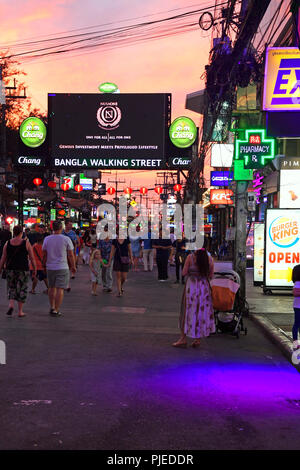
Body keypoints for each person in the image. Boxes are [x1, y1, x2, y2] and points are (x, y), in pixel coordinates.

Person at [173, 248, 215, 348]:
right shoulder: (209, 259)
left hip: (191, 288)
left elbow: (183, 273)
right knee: (201, 312)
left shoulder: (190, 258)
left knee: (186, 312)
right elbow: (211, 275)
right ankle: (197, 339)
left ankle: (183, 338)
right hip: (204, 288)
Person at [0, 225, 36, 317]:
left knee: (12, 287)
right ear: (21, 232)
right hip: (23, 269)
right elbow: (32, 258)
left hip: (10, 269)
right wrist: (34, 269)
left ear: (14, 232)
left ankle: (11, 305)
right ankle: (20, 311)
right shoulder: (26, 243)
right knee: (22, 288)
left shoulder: (7, 243)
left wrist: (0, 269)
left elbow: (3, 258)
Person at [42, 220, 76, 316]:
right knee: (60, 289)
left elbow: (44, 254)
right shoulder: (66, 239)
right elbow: (70, 255)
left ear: (52, 228)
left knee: (51, 288)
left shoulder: (47, 239)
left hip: (50, 267)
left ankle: (52, 307)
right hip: (62, 267)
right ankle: (56, 310)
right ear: (61, 228)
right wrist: (73, 266)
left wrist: (43, 265)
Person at [99, 227, 113, 292]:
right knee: (103, 272)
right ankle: (104, 285)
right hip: (103, 258)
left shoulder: (112, 241)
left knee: (109, 272)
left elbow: (113, 250)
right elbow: (99, 249)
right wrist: (100, 258)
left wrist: (110, 259)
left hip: (110, 258)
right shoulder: (101, 240)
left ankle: (109, 286)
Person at [292, 264, 300, 351]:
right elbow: (295, 293)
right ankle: (295, 344)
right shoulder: (298, 283)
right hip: (298, 307)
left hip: (298, 306)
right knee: (297, 324)